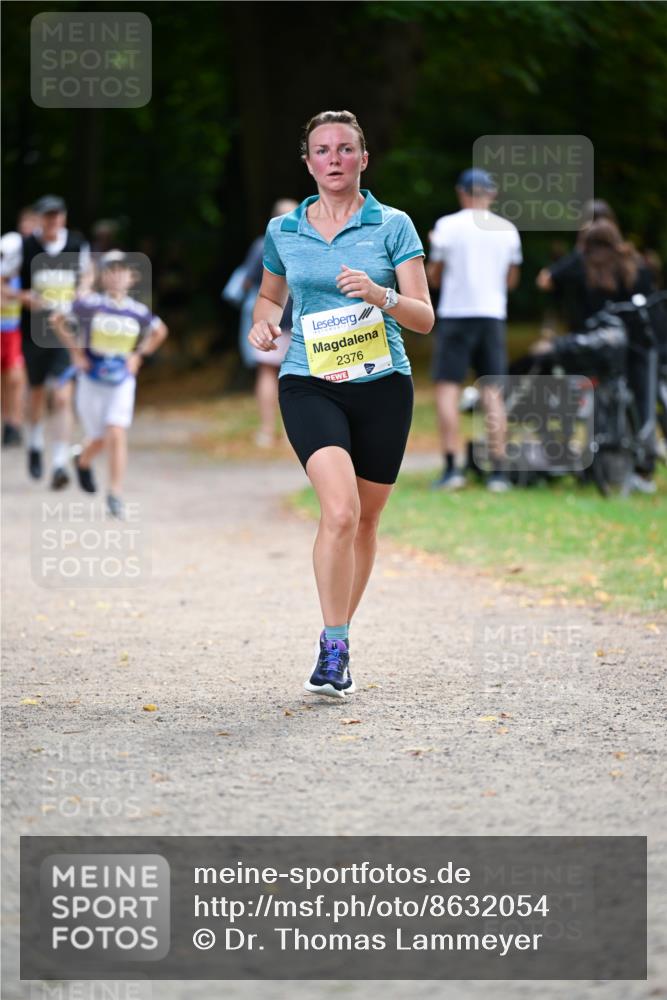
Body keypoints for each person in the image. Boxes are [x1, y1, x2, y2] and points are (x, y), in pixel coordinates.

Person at [247, 109, 433, 697]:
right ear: (308, 162)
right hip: (310, 379)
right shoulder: (284, 230)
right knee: (341, 512)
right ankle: (334, 648)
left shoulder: (393, 224)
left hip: (383, 383)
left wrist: (382, 296)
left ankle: (339, 632)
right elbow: (268, 300)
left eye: (345, 149)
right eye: (322, 150)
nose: (334, 158)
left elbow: (424, 317)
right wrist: (263, 326)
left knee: (369, 519)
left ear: (363, 159)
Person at [537, 217, 657, 492]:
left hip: (592, 350)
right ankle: (644, 465)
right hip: (633, 349)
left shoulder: (580, 265)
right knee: (642, 403)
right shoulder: (634, 265)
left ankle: (570, 455)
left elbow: (547, 280)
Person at [50, 251, 168, 518]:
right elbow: (56, 319)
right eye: (111, 271)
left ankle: (114, 493)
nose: (116, 277)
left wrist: (138, 355)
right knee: (99, 438)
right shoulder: (89, 305)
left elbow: (160, 331)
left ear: (131, 277)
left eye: (121, 271)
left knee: (116, 431)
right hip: (92, 378)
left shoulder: (136, 311)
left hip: (121, 379)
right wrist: (76, 353)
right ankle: (82, 460)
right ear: (103, 276)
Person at [427, 168, 522, 493]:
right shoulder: (508, 230)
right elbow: (511, 280)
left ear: (462, 192)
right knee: (493, 392)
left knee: (448, 389)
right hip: (491, 315)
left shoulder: (446, 227)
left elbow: (434, 277)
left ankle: (453, 467)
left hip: (456, 314)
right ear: (491, 194)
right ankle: (499, 471)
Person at [10, 195, 91, 488]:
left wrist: (81, 292)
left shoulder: (77, 244)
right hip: (34, 331)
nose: (53, 221)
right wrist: (24, 297)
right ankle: (34, 444)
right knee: (36, 394)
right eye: (48, 216)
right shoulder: (25, 246)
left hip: (66, 332)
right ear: (41, 219)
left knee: (61, 396)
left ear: (64, 218)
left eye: (57, 216)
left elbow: (86, 276)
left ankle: (58, 463)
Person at [243, 199, 298, 447]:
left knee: (267, 372)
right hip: (300, 319)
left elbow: (249, 281)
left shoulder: (262, 245)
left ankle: (267, 430)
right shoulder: (307, 242)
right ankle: (290, 434)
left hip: (270, 318)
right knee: (295, 375)